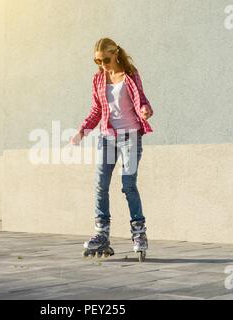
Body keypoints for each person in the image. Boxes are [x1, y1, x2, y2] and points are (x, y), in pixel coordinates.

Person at [70, 38, 154, 260]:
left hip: (131, 137)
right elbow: (96, 109)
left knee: (128, 184)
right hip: (107, 138)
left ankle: (139, 233)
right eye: (97, 60)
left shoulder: (130, 75)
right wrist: (82, 130)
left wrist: (145, 110)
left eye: (105, 59)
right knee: (100, 185)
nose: (102, 64)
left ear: (115, 54)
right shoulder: (98, 78)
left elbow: (142, 101)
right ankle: (102, 233)